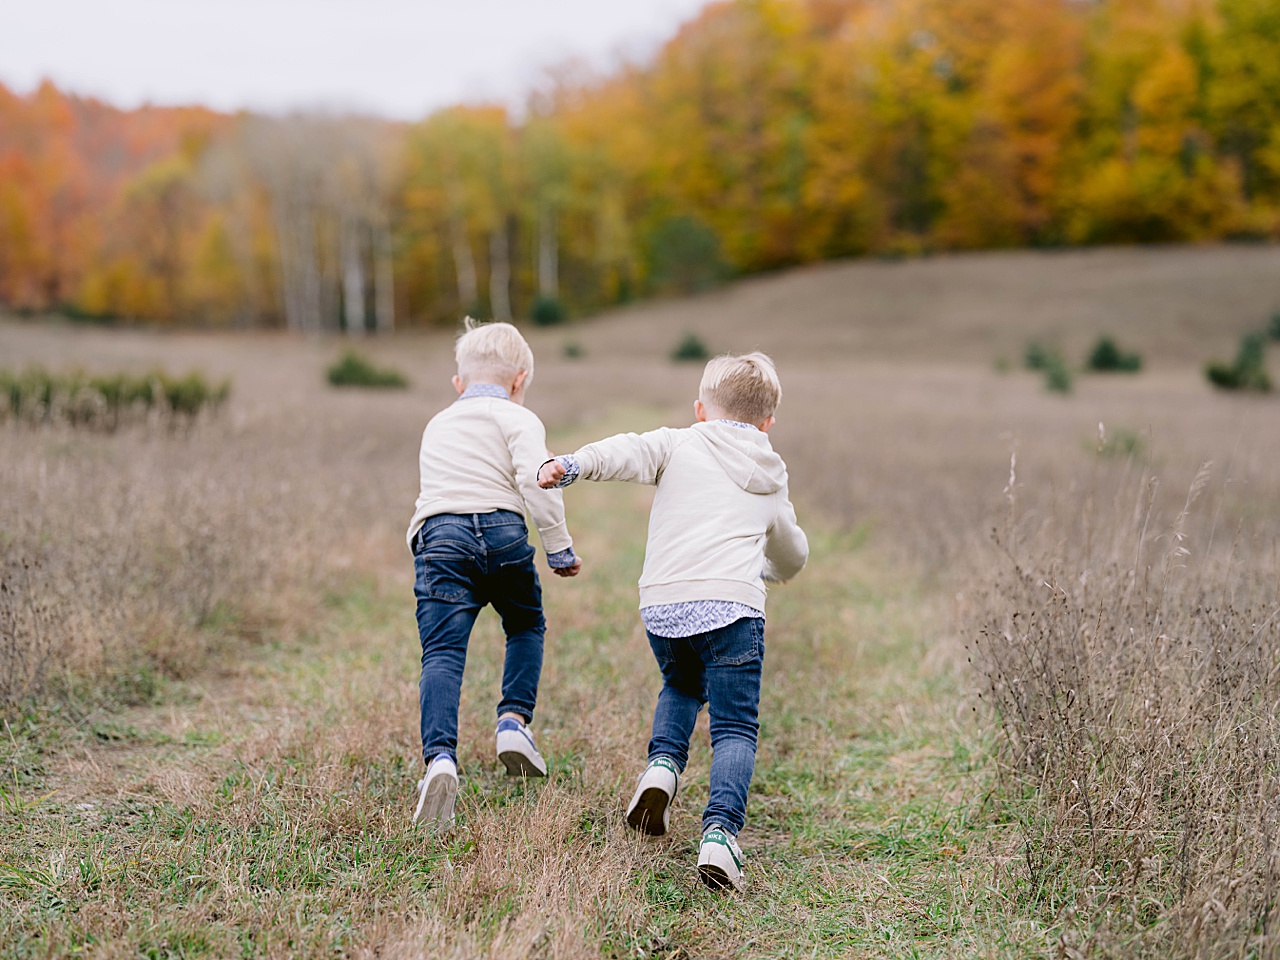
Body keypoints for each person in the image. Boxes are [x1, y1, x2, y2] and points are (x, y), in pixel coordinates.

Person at [538, 352, 807, 891]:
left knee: (681, 685)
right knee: (734, 727)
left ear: (700, 409)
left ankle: (661, 769)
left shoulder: (679, 441)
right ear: (768, 422)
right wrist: (766, 570)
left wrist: (572, 464)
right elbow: (791, 552)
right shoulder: (770, 475)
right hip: (733, 607)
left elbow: (625, 451)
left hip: (665, 603)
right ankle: (720, 837)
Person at [408, 318, 581, 830]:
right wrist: (558, 548)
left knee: (442, 652)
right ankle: (513, 722)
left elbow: (432, 491)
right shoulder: (519, 419)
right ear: (520, 380)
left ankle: (440, 760)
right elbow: (538, 483)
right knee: (525, 624)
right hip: (503, 532)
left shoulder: (438, 423)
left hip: (440, 536)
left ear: (458, 383)